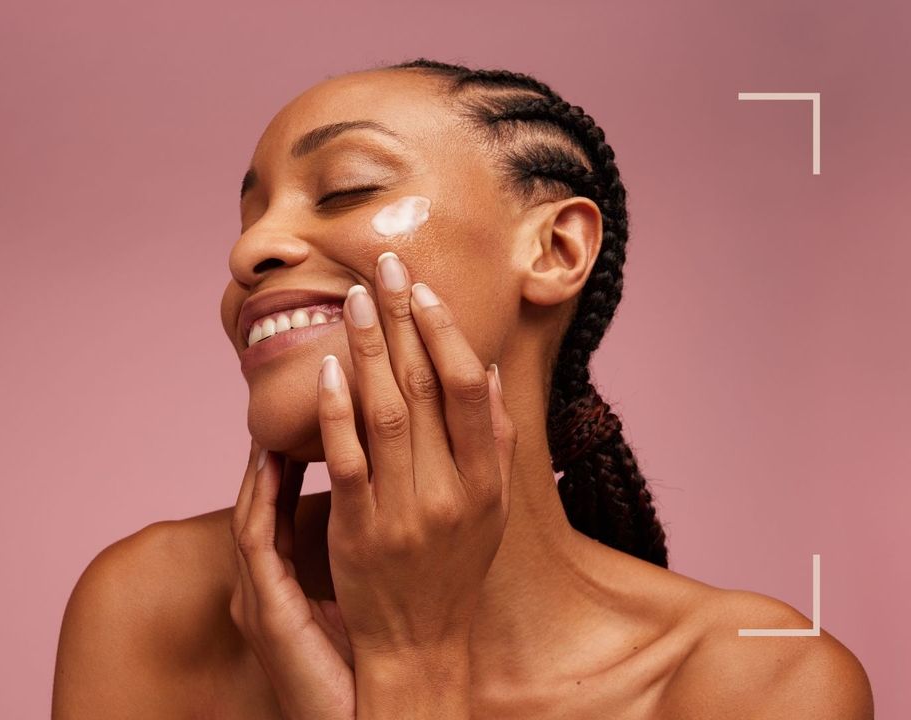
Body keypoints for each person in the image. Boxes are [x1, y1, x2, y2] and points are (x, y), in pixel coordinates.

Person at [51, 59, 873, 719]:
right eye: (247, 219)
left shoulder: (761, 686)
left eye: (346, 188)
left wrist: (411, 670)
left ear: (554, 249)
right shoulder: (156, 609)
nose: (249, 252)